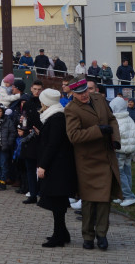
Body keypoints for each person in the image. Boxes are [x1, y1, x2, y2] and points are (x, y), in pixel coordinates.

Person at [64, 78, 121, 250]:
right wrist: (97, 130)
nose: (84, 95)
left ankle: (102, 235)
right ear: (72, 93)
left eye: (85, 91)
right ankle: (88, 236)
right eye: (79, 93)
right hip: (87, 161)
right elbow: (73, 136)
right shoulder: (71, 109)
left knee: (104, 200)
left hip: (105, 157)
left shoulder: (99, 99)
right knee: (89, 201)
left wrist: (115, 139)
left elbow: (112, 119)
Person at [35, 88, 77, 248]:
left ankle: (59, 236)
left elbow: (53, 144)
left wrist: (43, 165)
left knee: (57, 202)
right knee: (57, 202)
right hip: (57, 165)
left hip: (57, 167)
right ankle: (61, 232)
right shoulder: (54, 116)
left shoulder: (57, 118)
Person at [110, 97, 135, 207]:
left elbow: (116, 136)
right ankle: (123, 194)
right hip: (129, 151)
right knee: (127, 171)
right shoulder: (129, 118)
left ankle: (128, 195)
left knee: (119, 173)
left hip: (120, 150)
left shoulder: (116, 120)